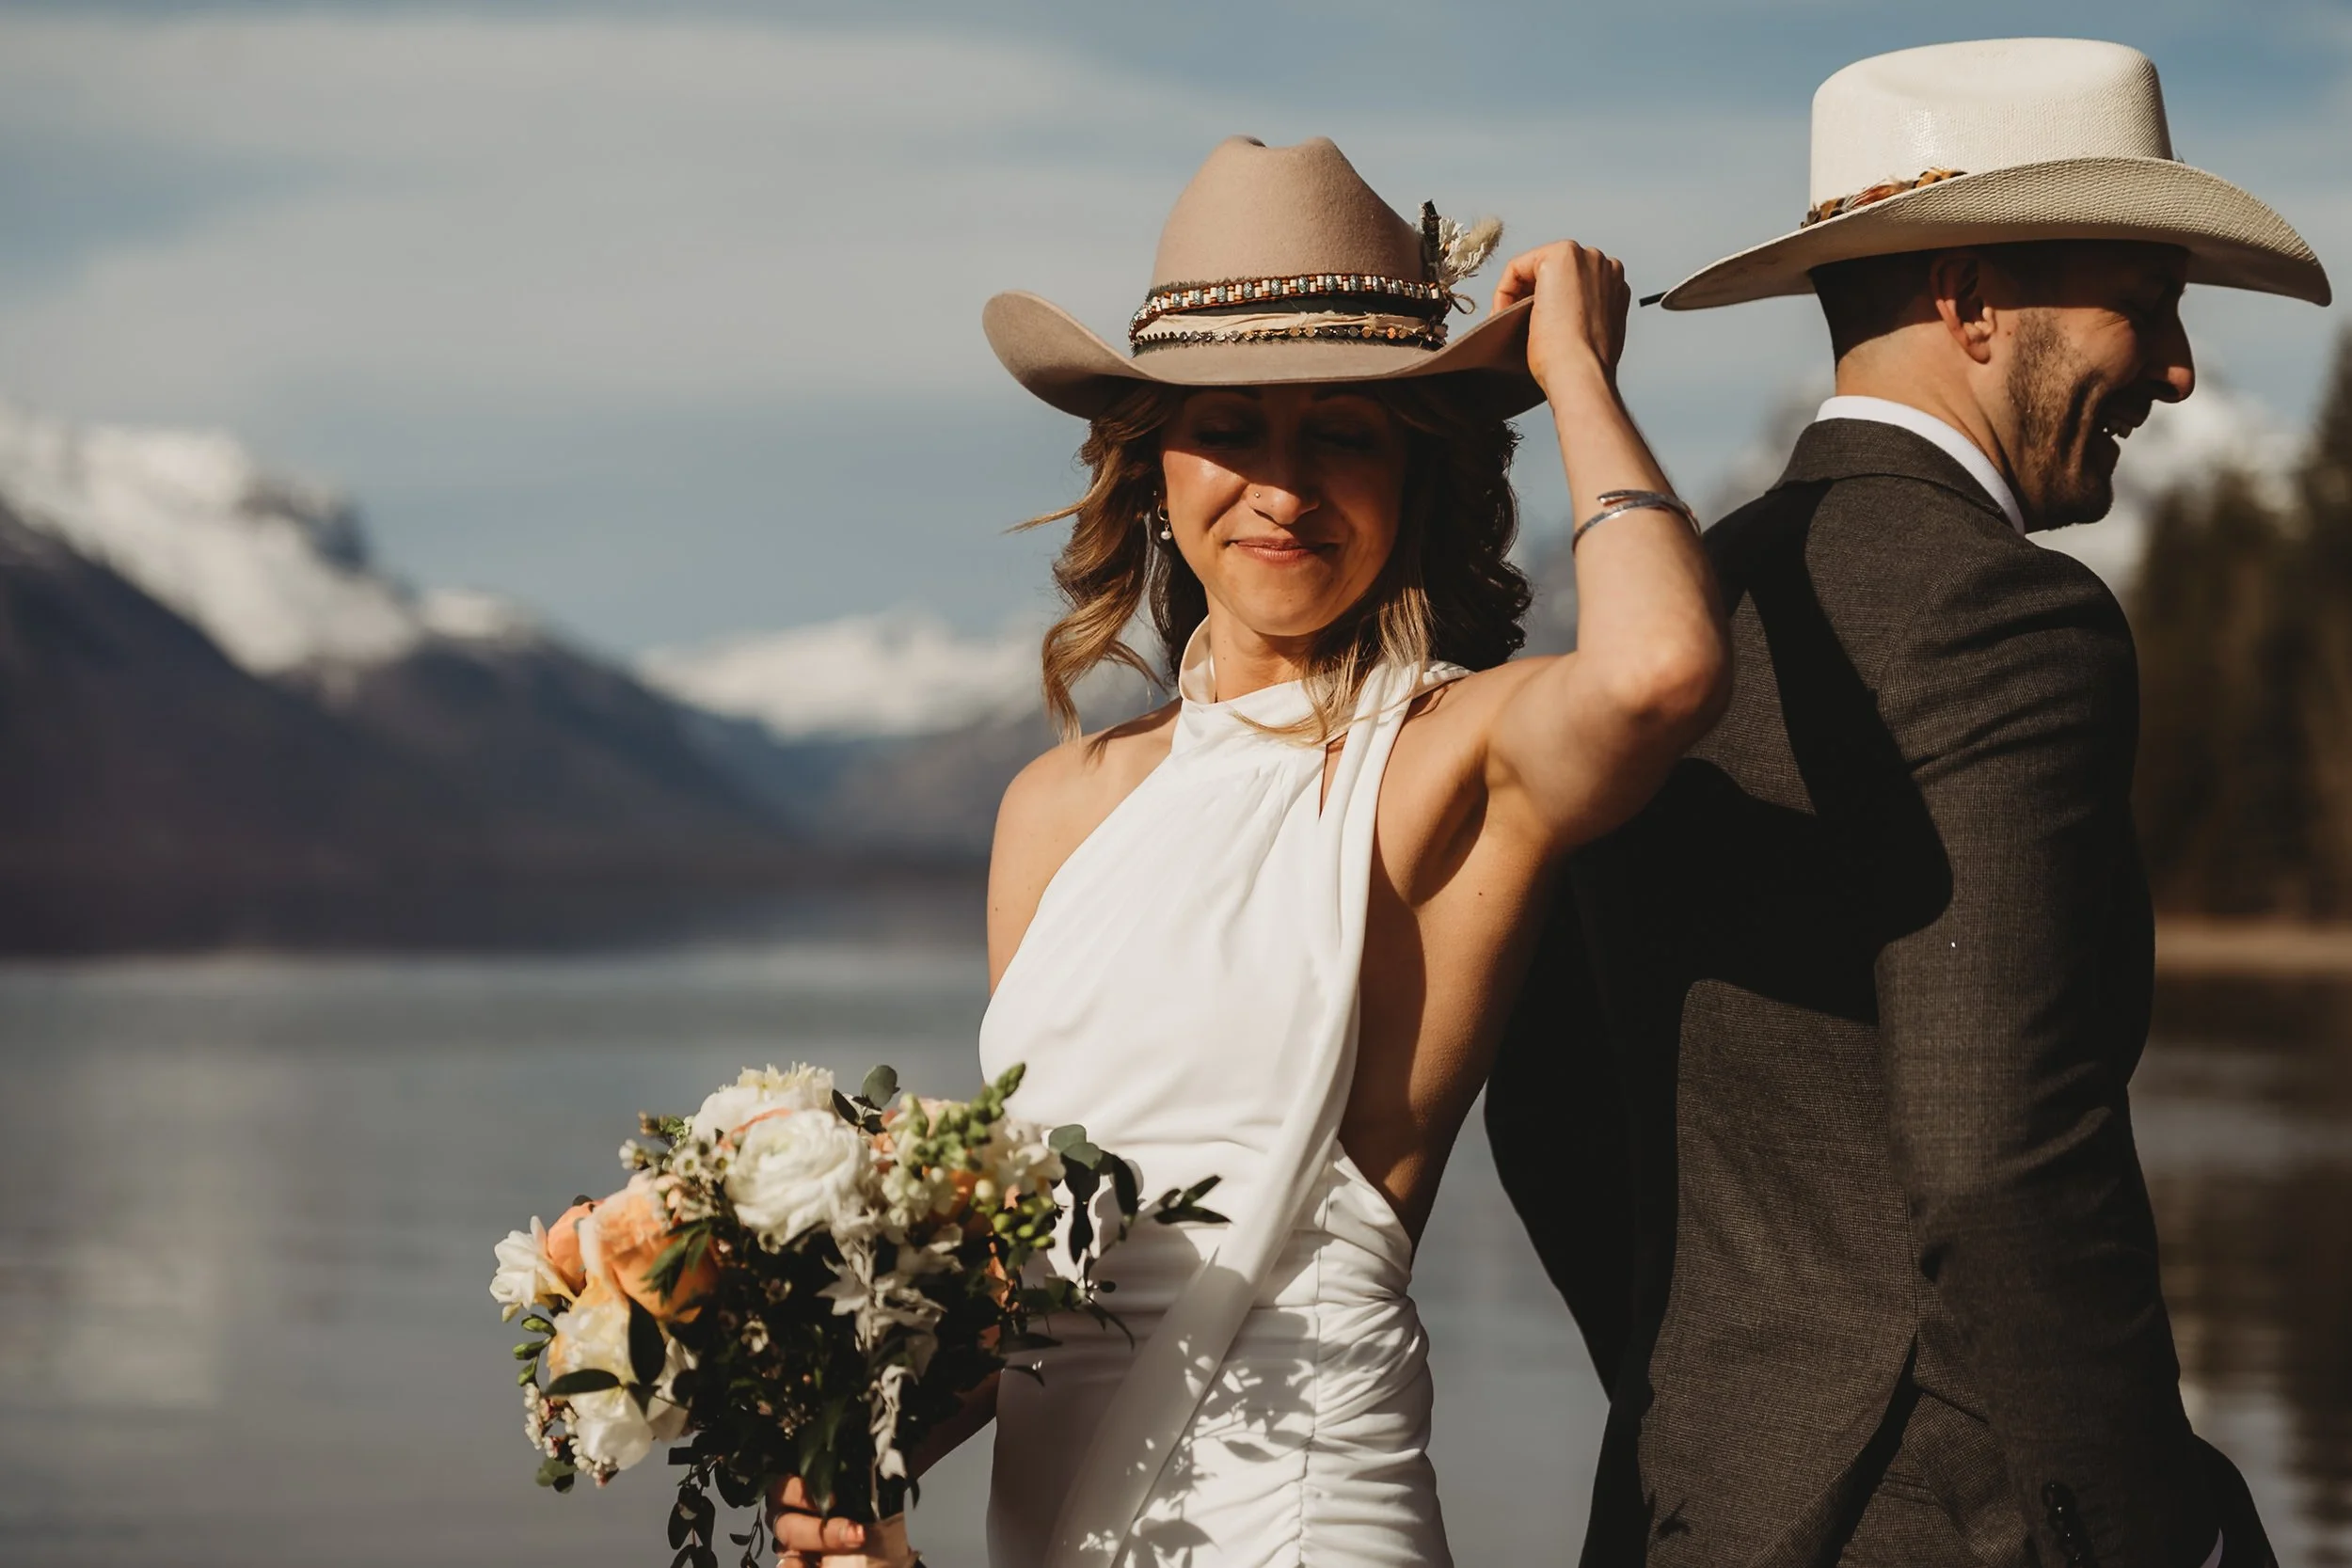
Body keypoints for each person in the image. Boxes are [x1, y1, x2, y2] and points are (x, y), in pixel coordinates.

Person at [771, 134, 1727, 1565]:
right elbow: (1036, 1257)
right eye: (1231, 426)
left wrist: (1577, 371)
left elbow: (1659, 671)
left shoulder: (1450, 749)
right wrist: (854, 1453)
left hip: (1302, 1517)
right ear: (1152, 463)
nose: (1282, 488)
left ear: (1415, 472)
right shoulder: (1055, 806)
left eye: (1341, 430)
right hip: (1057, 1521)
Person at [1489, 37, 2329, 1568]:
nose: (2180, 364)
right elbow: (2006, 1159)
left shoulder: (1663, 620)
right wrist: (2150, 1539)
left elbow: (1542, 1098)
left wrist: (1708, 1408)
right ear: (1968, 301)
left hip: (1683, 1512)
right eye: (2143, 297)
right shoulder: (2015, 619)